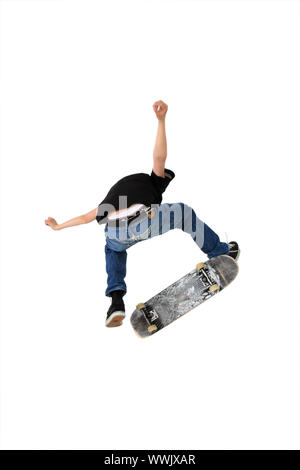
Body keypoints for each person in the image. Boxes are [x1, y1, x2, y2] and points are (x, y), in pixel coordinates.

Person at [45, 100, 240, 327]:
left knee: (112, 250)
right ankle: (220, 252)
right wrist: (161, 121)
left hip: (116, 232)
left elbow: (84, 219)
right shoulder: (153, 182)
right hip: (143, 220)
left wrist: (58, 226)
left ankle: (116, 301)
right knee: (183, 213)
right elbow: (159, 157)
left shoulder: (108, 201)